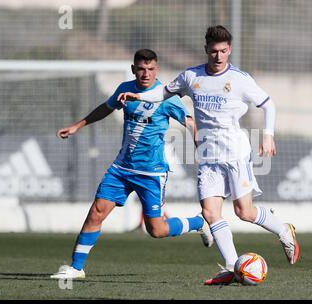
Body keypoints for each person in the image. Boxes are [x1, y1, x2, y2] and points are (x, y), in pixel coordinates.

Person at [118, 26, 300, 285]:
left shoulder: (240, 79)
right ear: (206, 50)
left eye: (224, 51)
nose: (218, 56)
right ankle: (231, 267)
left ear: (230, 50)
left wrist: (268, 135)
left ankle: (284, 230)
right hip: (207, 156)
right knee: (210, 212)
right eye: (214, 51)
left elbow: (268, 104)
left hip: (235, 153)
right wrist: (139, 95)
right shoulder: (192, 76)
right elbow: (163, 92)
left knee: (244, 212)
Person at [50, 49, 213, 280]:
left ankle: (198, 222)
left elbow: (191, 123)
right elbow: (106, 108)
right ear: (133, 69)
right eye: (141, 69)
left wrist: (202, 151)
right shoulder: (125, 89)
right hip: (121, 169)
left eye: (151, 69)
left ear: (156, 69)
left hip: (151, 173)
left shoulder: (166, 97)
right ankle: (76, 268)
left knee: (156, 230)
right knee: (96, 212)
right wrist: (78, 125)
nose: (146, 73)